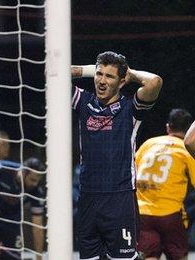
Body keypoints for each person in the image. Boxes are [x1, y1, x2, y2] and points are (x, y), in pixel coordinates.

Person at [71, 51, 163, 259]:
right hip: (88, 197)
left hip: (119, 198)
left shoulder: (130, 108)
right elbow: (53, 74)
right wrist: (89, 70)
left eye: (109, 76)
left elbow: (155, 82)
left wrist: (130, 74)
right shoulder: (83, 103)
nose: (102, 81)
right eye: (99, 75)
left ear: (121, 82)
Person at [135, 109, 195, 260]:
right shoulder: (186, 149)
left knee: (148, 255)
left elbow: (131, 172)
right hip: (171, 214)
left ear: (168, 127)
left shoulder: (148, 144)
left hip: (142, 213)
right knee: (178, 255)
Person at [0, 157, 46, 260]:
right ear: (23, 172)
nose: (35, 184)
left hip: (12, 227)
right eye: (32, 180)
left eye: (37, 181)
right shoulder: (1, 168)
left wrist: (39, 255)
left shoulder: (36, 191)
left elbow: (37, 225)